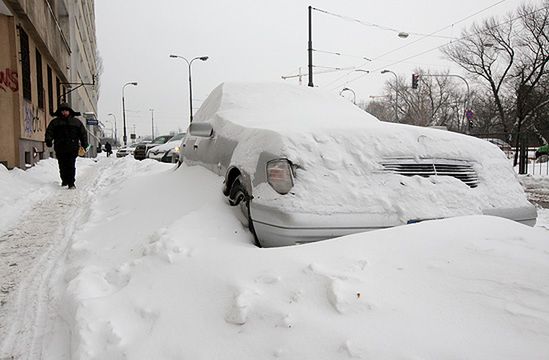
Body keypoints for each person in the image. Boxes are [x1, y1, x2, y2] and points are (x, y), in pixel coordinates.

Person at [45, 103, 88, 189]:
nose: (64, 112)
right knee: (62, 165)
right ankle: (64, 180)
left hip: (72, 148)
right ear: (60, 112)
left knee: (71, 165)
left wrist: (84, 144)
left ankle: (71, 182)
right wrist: (48, 140)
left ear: (69, 111)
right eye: (63, 111)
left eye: (66, 111)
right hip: (60, 148)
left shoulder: (76, 122)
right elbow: (49, 132)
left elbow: (83, 134)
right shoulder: (55, 122)